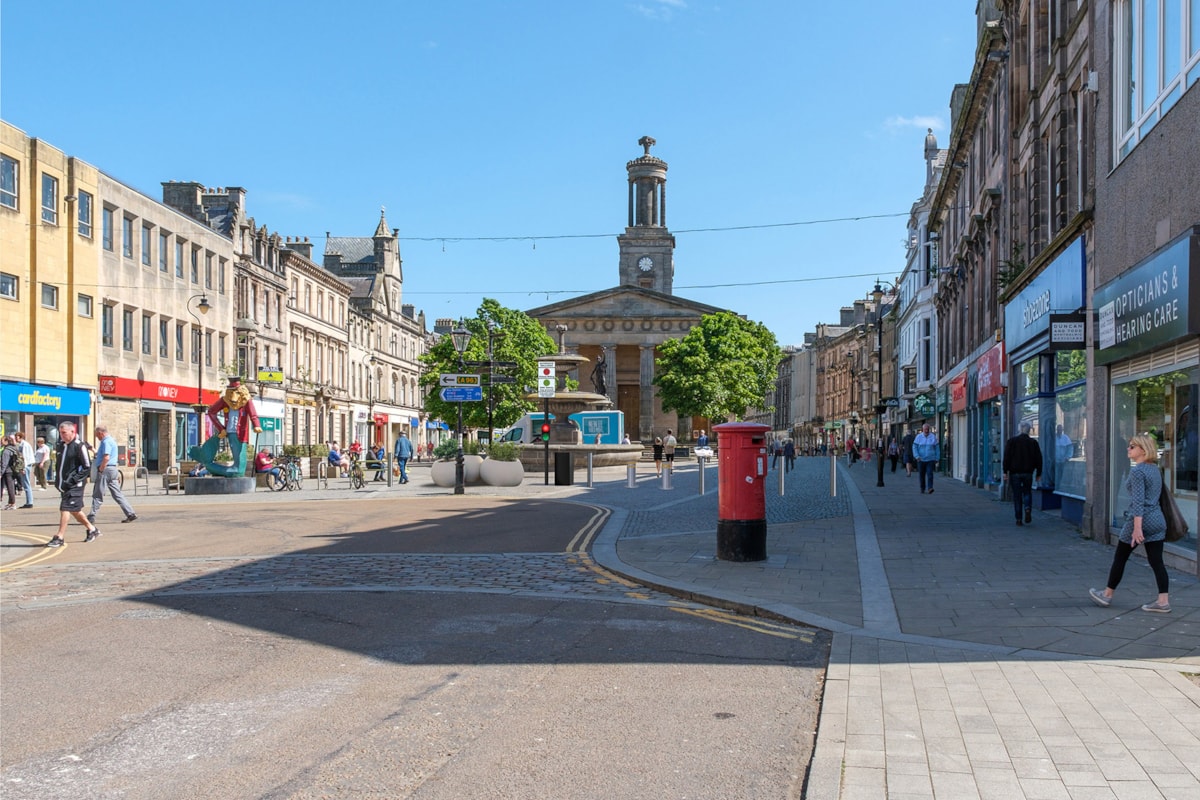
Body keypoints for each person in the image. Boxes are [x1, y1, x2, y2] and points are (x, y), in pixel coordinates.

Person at [1089, 434, 1171, 613]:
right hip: (1157, 519)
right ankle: (1163, 601)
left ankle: (1107, 595)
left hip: (1140, 519)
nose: (1128, 449)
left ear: (1143, 450)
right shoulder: (1155, 469)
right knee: (1157, 561)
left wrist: (1137, 528)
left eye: (1132, 446)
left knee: (1121, 557)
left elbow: (1139, 501)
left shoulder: (1138, 471)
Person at [190, 376, 262, 477]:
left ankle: (212, 468)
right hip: (230, 433)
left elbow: (253, 414)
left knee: (240, 468)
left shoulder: (246, 400)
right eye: (231, 392)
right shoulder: (225, 400)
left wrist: (256, 425)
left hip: (241, 434)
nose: (233, 396)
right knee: (239, 469)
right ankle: (211, 466)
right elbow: (211, 411)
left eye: (236, 392)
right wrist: (221, 428)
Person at [47, 421, 100, 547]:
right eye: (60, 433)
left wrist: (73, 480)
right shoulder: (61, 446)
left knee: (65, 508)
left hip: (75, 485)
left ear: (72, 431)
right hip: (64, 485)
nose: (62, 435)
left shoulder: (79, 446)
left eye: (64, 433)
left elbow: (87, 467)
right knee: (75, 510)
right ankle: (92, 530)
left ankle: (59, 536)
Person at [89, 425, 137, 525]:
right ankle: (130, 513)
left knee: (98, 493)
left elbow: (106, 457)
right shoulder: (111, 441)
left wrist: (101, 469)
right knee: (117, 494)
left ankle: (92, 515)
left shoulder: (106, 442)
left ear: (101, 433)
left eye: (97, 435)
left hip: (106, 469)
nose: (97, 437)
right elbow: (102, 455)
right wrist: (92, 450)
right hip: (112, 469)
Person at [1002, 422, 1043, 526]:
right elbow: (1039, 459)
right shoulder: (1033, 442)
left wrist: (1005, 471)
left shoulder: (1012, 441)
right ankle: (1027, 508)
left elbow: (1006, 457)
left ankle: (1019, 519)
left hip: (1015, 472)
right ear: (1029, 430)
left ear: (1020, 429)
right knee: (1027, 492)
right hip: (1028, 472)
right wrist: (1038, 473)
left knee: (1017, 495)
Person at [913, 424, 939, 493]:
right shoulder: (918, 437)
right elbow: (914, 447)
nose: (927, 431)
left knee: (930, 474)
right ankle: (922, 488)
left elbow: (937, 448)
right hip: (921, 459)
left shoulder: (933, 437)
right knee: (922, 475)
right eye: (925, 429)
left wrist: (937, 458)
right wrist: (917, 456)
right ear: (923, 429)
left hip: (930, 459)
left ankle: (930, 488)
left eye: (928, 429)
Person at [14, 431, 35, 508]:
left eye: (17, 437)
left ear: (20, 437)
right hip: (26, 465)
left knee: (26, 483)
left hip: (26, 465)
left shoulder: (25, 445)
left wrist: (23, 468)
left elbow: (25, 457)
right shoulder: (22, 444)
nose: (16, 439)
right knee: (26, 483)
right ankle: (29, 501)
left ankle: (30, 502)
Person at [1, 435, 19, 510]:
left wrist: (0, 473)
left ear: (6, 441)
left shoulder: (6, 451)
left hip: (8, 471)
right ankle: (10, 503)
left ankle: (12, 503)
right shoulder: (13, 448)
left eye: (1, 441)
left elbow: (4, 463)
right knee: (11, 487)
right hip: (13, 470)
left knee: (10, 487)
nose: (0, 442)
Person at [1054, 424, 1072, 488]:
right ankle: (1056, 485)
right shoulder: (1054, 438)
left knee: (1061, 474)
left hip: (1063, 460)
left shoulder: (1066, 438)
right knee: (1055, 474)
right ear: (1057, 430)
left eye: (1060, 429)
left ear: (1062, 430)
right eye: (1058, 429)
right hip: (1055, 460)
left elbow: (1070, 448)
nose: (1059, 431)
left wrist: (1068, 457)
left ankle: (1059, 486)